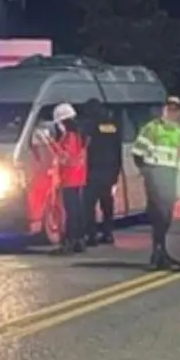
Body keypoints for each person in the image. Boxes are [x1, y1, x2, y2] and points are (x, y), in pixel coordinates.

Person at [131, 96, 180, 270]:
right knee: (159, 214)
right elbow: (137, 152)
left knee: (166, 216)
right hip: (155, 174)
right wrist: (147, 172)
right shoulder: (152, 129)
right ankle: (157, 254)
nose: (171, 112)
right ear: (164, 110)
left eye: (175, 109)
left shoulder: (179, 132)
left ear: (179, 113)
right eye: (169, 108)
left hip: (170, 175)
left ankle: (161, 253)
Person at [47, 102, 88, 254]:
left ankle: (70, 242)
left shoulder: (70, 137)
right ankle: (78, 241)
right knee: (76, 211)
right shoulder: (79, 135)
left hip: (70, 179)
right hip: (78, 178)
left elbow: (67, 158)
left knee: (71, 212)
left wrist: (50, 143)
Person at [81, 98, 122, 246]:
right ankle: (108, 233)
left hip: (93, 170)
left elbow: (84, 147)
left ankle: (91, 235)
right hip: (109, 170)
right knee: (107, 204)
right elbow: (118, 149)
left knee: (89, 204)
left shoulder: (88, 126)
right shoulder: (112, 126)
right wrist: (117, 170)